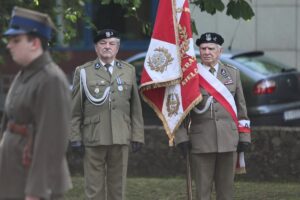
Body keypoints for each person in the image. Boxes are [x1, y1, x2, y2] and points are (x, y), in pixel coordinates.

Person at [0, 6, 72, 200]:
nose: (9, 46)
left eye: (16, 40)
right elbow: (8, 123)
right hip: (15, 174)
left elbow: (52, 140)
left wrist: (37, 192)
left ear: (34, 43)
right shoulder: (25, 74)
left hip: (35, 181)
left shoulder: (51, 79)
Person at [70, 28, 144, 200]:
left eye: (112, 44)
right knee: (94, 189)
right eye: (102, 43)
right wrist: (74, 137)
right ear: (96, 48)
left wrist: (138, 135)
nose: (107, 47)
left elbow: (135, 107)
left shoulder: (128, 70)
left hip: (121, 135)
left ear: (117, 48)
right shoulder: (83, 72)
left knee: (118, 188)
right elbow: (75, 110)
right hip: (94, 136)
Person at [176, 32, 251, 200]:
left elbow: (241, 108)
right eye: (203, 48)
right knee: (202, 191)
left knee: (226, 191)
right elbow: (180, 111)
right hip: (201, 142)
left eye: (211, 48)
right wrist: (181, 137)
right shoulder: (190, 75)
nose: (207, 52)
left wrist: (244, 136)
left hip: (228, 140)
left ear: (219, 51)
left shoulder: (232, 73)